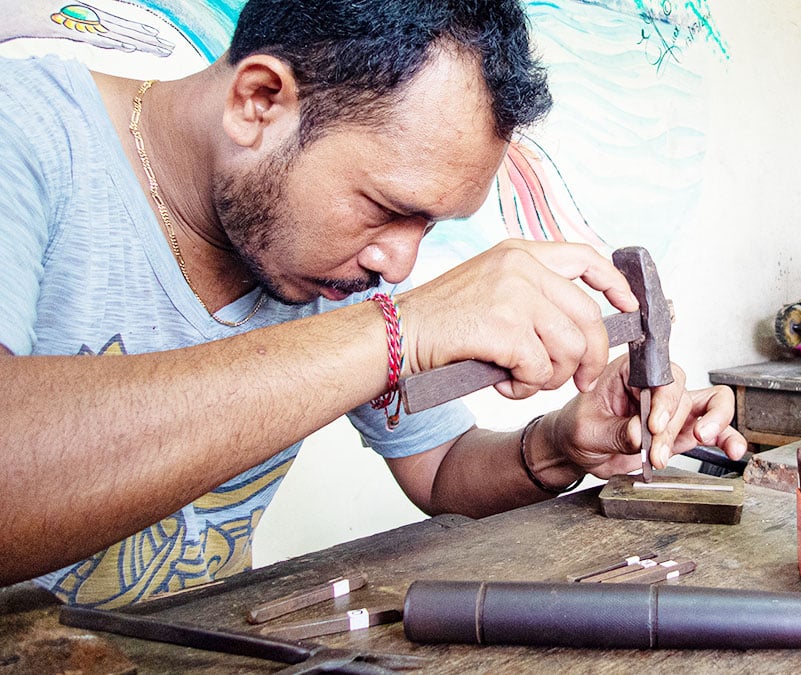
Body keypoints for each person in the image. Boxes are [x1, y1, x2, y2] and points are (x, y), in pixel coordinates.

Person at [0, 0, 746, 606]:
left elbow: (443, 466)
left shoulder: (318, 262)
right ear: (259, 101)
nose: (401, 260)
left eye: (428, 226)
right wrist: (403, 331)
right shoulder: (24, 134)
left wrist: (560, 442)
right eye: (388, 207)